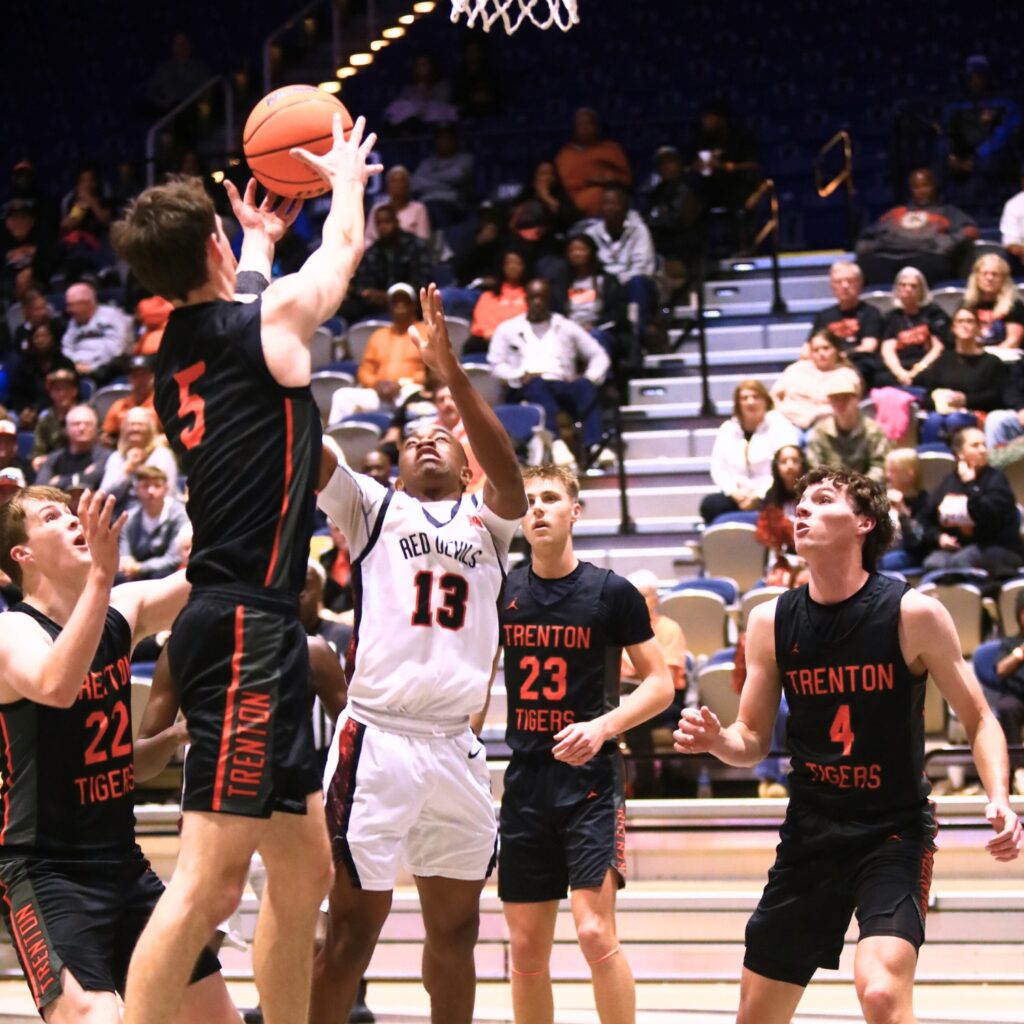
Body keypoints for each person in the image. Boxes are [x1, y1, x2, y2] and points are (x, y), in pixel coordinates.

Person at [111, 113, 381, 1024]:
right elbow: (341, 256)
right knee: (206, 885)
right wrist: (345, 176)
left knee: (304, 870)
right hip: (239, 626)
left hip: (250, 621)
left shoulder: (176, 353)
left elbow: (249, 317)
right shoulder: (262, 321)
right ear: (214, 242)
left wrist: (261, 243)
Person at [674, 467, 1021, 1023]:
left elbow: (981, 719)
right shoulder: (769, 621)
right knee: (756, 1015)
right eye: (799, 503)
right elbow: (752, 741)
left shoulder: (913, 613)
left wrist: (999, 797)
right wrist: (717, 739)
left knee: (881, 993)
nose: (801, 511)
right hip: (811, 832)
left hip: (892, 831)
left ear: (864, 523)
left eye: (822, 500)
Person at [310, 284, 527, 1024]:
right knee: (350, 935)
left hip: (456, 745)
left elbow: (513, 481)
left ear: (465, 464)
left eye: (440, 437)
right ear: (393, 466)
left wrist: (451, 375)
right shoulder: (372, 508)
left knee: (458, 931)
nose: (426, 440)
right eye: (411, 442)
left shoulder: (487, 521)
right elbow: (310, 449)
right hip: (379, 738)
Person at [0, 485, 238, 1024]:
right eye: (52, 516)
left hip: (124, 865)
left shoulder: (121, 609)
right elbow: (57, 685)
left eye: (71, 510)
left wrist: (228, 487)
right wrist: (104, 577)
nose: (72, 519)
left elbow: (213, 575)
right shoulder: (11, 631)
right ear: (24, 554)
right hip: (47, 873)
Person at [498, 464, 672, 1024]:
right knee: (525, 950)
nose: (538, 508)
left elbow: (660, 684)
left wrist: (603, 726)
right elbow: (477, 678)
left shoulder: (611, 592)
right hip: (525, 782)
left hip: (590, 783)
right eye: (528, 501)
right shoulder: (503, 590)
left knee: (595, 931)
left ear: (576, 511)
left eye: (550, 498)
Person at [487, 278, 611, 472]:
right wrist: (519, 374)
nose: (538, 302)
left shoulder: (565, 326)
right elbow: (495, 365)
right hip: (525, 385)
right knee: (537, 384)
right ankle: (556, 442)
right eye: (533, 297)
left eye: (542, 297)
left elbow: (599, 355)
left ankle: (594, 445)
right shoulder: (507, 329)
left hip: (561, 381)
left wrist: (590, 376)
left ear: (549, 300)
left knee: (585, 386)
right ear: (526, 299)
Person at [918, 426, 1023, 578]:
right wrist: (938, 537)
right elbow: (925, 519)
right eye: (975, 446)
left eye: (984, 445)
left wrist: (970, 484)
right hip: (959, 548)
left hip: (998, 548)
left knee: (963, 560)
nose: (982, 450)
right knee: (933, 564)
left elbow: (986, 515)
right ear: (960, 453)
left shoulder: (996, 479)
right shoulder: (949, 483)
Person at [621, 568, 688, 798]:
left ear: (655, 599)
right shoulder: (618, 629)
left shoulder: (669, 630)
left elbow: (665, 679)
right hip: (625, 694)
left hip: (667, 700)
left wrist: (636, 672)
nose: (635, 601)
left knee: (636, 712)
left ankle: (645, 786)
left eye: (642, 596)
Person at [855, 169, 978, 286]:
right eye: (916, 187)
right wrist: (875, 245)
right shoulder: (896, 212)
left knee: (933, 264)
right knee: (868, 263)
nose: (921, 191)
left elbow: (971, 231)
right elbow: (866, 237)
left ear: (934, 186)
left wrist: (948, 242)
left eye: (925, 186)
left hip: (926, 257)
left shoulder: (947, 212)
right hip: (888, 258)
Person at [701, 379, 799, 525]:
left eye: (755, 397)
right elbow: (718, 469)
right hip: (738, 495)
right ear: (738, 403)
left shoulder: (780, 424)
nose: (750, 402)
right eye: (744, 398)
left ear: (765, 400)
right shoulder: (727, 429)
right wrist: (735, 493)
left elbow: (786, 466)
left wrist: (758, 495)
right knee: (710, 505)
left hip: (771, 492)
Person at [578, 183, 657, 349]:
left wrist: (617, 282)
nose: (610, 207)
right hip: (604, 286)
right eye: (606, 203)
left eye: (614, 203)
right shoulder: (592, 233)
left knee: (639, 283)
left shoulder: (638, 230)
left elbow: (643, 266)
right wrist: (609, 283)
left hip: (631, 284)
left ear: (624, 207)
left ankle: (637, 338)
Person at [914, 305, 1003, 443]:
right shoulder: (943, 361)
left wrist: (966, 400)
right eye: (960, 321)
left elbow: (996, 396)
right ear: (953, 328)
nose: (965, 326)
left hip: (976, 414)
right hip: (943, 412)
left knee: (954, 419)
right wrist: (939, 401)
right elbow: (927, 395)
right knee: (933, 420)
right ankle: (931, 459)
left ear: (978, 327)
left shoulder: (991, 362)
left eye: (969, 321)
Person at [341, 204, 434, 323]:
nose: (383, 226)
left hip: (407, 300)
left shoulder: (415, 246)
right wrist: (369, 293)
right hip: (377, 304)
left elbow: (422, 280)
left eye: (387, 222)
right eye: (379, 223)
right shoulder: (371, 252)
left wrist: (391, 296)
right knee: (348, 308)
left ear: (396, 222)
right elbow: (362, 283)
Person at [807, 262, 883, 387]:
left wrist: (839, 357)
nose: (845, 286)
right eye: (839, 282)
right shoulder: (824, 316)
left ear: (860, 284)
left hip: (856, 364)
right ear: (832, 286)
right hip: (825, 363)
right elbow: (806, 351)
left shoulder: (871, 313)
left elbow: (868, 346)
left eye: (850, 281)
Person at [806, 371, 889, 483]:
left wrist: (858, 487)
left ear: (857, 399)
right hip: (831, 489)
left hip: (865, 490)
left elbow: (880, 466)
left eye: (845, 398)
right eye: (835, 399)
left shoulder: (872, 430)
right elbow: (814, 467)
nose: (840, 403)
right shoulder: (820, 431)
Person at [770, 331, 858, 431]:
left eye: (826, 348)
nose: (821, 353)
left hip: (826, 426)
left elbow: (847, 407)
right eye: (816, 350)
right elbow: (774, 395)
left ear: (836, 349)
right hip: (789, 424)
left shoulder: (847, 374)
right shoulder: (796, 369)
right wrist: (781, 413)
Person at [877, 266, 949, 388]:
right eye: (903, 285)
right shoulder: (891, 317)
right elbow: (887, 350)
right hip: (900, 367)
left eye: (913, 286)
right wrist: (901, 374)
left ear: (922, 290)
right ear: (897, 289)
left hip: (926, 366)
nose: (908, 289)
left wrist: (917, 371)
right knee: (880, 379)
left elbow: (938, 348)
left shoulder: (933, 313)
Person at [98, 407, 178, 515]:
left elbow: (168, 494)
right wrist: (126, 470)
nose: (135, 428)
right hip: (120, 518)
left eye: (140, 425)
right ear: (124, 429)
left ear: (150, 429)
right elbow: (105, 494)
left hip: (157, 516)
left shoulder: (162, 455)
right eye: (131, 424)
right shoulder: (116, 457)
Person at [555, 108, 632, 219]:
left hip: (607, 211)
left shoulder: (611, 148)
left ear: (597, 126)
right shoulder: (564, 154)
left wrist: (610, 178)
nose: (584, 128)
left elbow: (627, 179)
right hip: (570, 211)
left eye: (588, 123)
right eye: (580, 124)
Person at [118, 465, 190, 582]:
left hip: (166, 572)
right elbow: (124, 552)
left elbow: (174, 557)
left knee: (162, 575)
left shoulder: (179, 515)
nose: (151, 491)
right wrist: (127, 563)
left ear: (166, 489)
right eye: (145, 486)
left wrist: (140, 568)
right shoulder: (129, 517)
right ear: (137, 490)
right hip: (134, 571)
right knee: (119, 577)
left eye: (157, 486)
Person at [61, 280, 132, 385]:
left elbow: (118, 349)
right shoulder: (73, 322)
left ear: (87, 303)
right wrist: (75, 364)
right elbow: (67, 347)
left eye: (72, 305)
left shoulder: (111, 316)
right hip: (78, 370)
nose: (68, 310)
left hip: (106, 370)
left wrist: (92, 367)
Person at [409, 124, 475, 229]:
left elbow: (456, 176)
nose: (444, 143)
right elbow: (415, 183)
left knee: (436, 210)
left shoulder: (465, 159)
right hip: (425, 203)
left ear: (455, 141)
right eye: (440, 139)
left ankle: (442, 243)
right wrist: (445, 184)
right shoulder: (427, 163)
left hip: (452, 204)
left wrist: (428, 178)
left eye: (447, 139)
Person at [989, 591, 1024, 785]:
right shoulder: (1010, 643)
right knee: (1007, 707)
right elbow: (1001, 670)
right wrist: (1020, 653)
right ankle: (1019, 770)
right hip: (1017, 697)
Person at [37, 402, 110, 492]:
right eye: (76, 424)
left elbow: (92, 479)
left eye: (88, 424)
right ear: (66, 429)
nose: (82, 428)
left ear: (96, 429)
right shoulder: (54, 459)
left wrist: (59, 481)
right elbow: (40, 487)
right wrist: (82, 475)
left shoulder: (106, 456)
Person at [468, 248, 528, 352]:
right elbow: (481, 325)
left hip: (520, 344)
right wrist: (493, 335)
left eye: (517, 263)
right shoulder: (488, 295)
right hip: (488, 342)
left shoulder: (530, 296)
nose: (512, 267)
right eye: (509, 263)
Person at [879, 448, 929, 571]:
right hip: (881, 552)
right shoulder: (879, 496)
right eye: (887, 471)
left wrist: (902, 510)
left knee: (880, 564)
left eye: (892, 471)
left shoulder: (923, 501)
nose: (887, 476)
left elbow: (917, 541)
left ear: (909, 474)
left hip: (910, 554)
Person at [962, 252, 1024, 349]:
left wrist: (989, 360)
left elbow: (1013, 340)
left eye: (995, 274)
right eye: (984, 273)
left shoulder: (1015, 305)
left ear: (1003, 279)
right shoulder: (966, 304)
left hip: (1004, 358)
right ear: (977, 277)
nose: (989, 278)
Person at [364, 166, 431, 246]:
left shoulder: (419, 208)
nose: (397, 185)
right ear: (387, 186)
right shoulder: (377, 208)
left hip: (410, 253)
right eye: (393, 181)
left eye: (401, 181)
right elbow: (368, 238)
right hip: (379, 253)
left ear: (408, 185)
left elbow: (423, 239)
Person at [30, 367, 81, 470]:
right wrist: (39, 459)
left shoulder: (84, 416)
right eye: (57, 389)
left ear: (74, 391)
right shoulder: (46, 420)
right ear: (51, 393)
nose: (62, 393)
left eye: (66, 388)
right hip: (52, 467)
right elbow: (38, 451)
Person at [102, 353, 159, 443]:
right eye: (135, 375)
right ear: (129, 378)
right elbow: (106, 435)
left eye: (144, 374)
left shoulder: (161, 404)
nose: (140, 380)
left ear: (153, 377)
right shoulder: (119, 405)